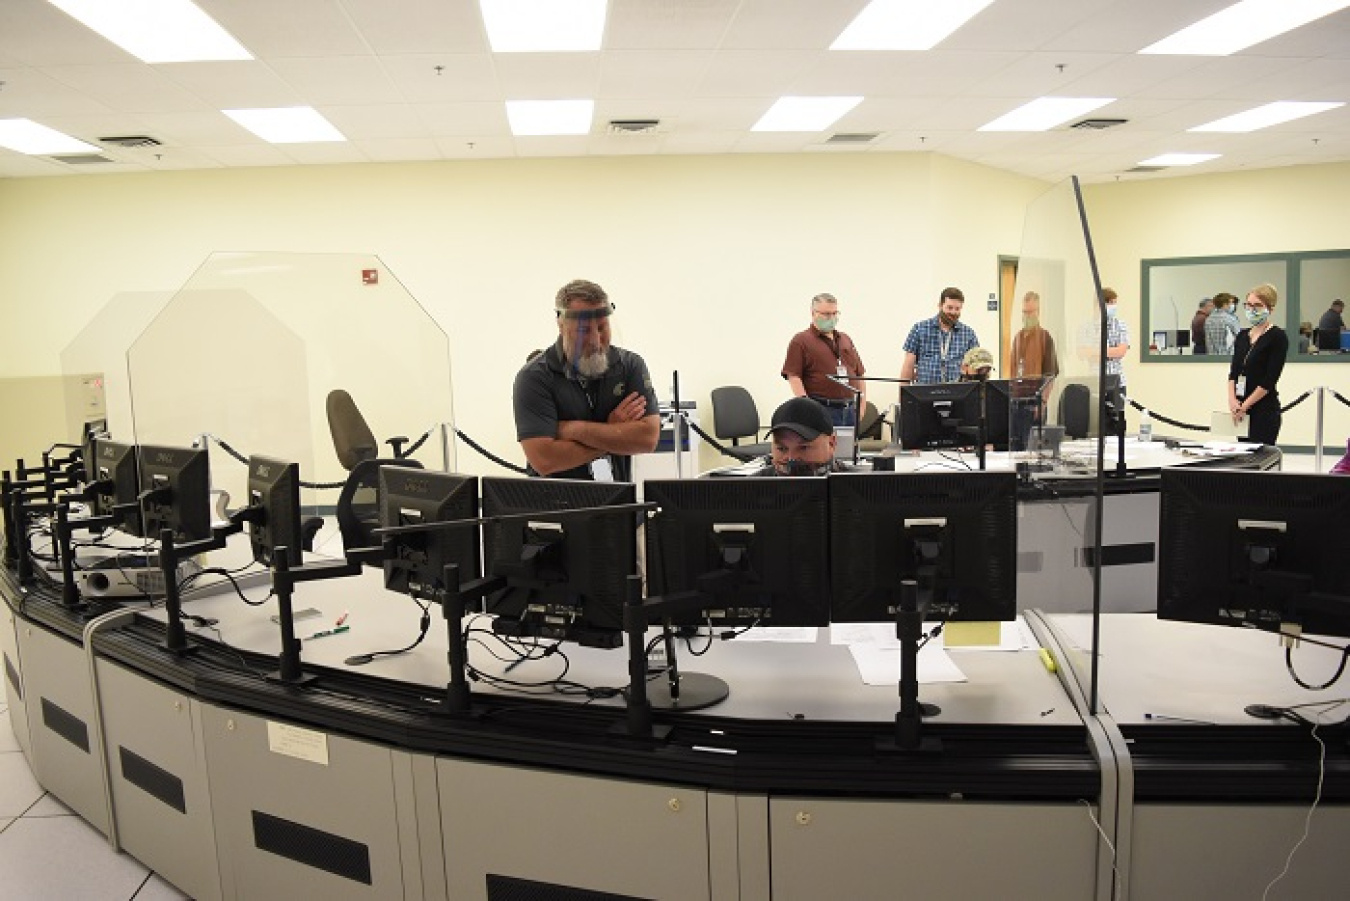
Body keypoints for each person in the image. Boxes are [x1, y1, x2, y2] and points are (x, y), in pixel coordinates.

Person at [512, 279, 660, 481]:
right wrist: (613, 432)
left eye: (602, 328)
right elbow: (545, 460)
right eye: (583, 331)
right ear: (561, 324)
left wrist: (573, 429)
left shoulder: (630, 366)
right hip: (557, 506)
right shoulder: (534, 377)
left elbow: (647, 439)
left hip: (618, 504)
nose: (596, 342)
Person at [781, 292, 866, 428]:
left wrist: (862, 405)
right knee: (822, 449)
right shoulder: (801, 340)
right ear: (813, 313)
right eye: (826, 314)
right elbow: (793, 376)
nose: (831, 318)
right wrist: (807, 408)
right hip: (821, 408)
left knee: (848, 449)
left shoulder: (845, 339)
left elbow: (859, 374)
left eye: (835, 313)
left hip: (849, 410)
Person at [1228, 283, 1288, 446]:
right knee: (1242, 459)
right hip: (1240, 410)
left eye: (1257, 306)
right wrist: (1233, 401)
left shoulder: (1277, 336)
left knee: (1260, 461)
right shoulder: (1242, 336)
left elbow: (1270, 379)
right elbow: (1233, 372)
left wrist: (1246, 405)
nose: (1252, 309)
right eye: (1248, 305)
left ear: (1270, 309)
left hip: (1263, 410)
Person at [1008, 291, 1059, 449]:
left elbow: (1050, 375)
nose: (1027, 315)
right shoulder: (1018, 338)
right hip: (1016, 403)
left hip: (1035, 404)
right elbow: (1013, 372)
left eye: (1031, 312)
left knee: (1032, 449)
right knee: (1016, 448)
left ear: (1038, 312)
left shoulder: (1045, 337)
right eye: (1024, 312)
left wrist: (1042, 403)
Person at [900, 287, 979, 385]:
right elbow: (908, 365)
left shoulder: (968, 334)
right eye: (949, 308)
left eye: (957, 309)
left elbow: (976, 366)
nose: (953, 312)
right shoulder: (919, 329)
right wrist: (903, 395)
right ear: (940, 306)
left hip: (958, 394)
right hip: (925, 393)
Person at [756, 396, 845, 476]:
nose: (791, 458)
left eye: (803, 448)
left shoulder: (856, 487)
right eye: (782, 449)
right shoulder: (752, 489)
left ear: (831, 443)